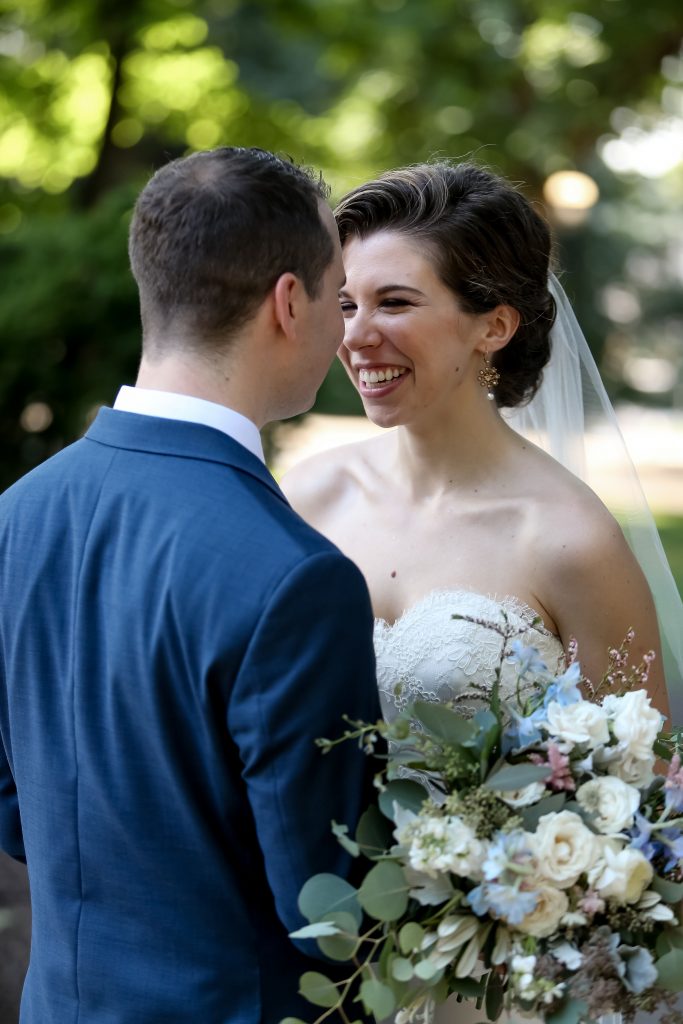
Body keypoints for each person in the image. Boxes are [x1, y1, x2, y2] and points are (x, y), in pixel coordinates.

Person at [0, 147, 380, 1024]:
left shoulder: (16, 514)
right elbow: (330, 918)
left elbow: (14, 811)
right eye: (336, 297)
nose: (344, 331)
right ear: (289, 303)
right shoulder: (296, 576)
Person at [284, 158, 676, 737]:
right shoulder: (304, 496)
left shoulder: (573, 541)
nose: (357, 336)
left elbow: (643, 783)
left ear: (493, 327)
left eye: (394, 303)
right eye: (345, 305)